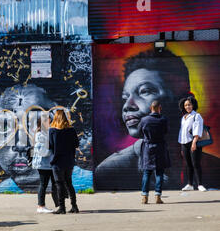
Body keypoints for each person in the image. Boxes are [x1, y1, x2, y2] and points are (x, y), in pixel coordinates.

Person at [94, 49, 220, 190]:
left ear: (184, 100)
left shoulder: (215, 169)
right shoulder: (111, 171)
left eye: (145, 91)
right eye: (125, 98)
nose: (127, 106)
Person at [138, 100, 170, 204]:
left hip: (148, 148)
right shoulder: (163, 119)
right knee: (159, 173)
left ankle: (144, 197)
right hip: (160, 147)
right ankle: (158, 196)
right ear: (159, 108)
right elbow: (166, 132)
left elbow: (139, 132)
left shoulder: (144, 120)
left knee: (147, 173)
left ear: (151, 108)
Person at [49, 109, 80, 214]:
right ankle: (74, 206)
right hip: (69, 161)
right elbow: (76, 144)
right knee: (69, 183)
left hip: (57, 161)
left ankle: (62, 208)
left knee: (59, 184)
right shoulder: (72, 130)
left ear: (55, 117)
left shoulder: (53, 131)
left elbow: (51, 146)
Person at [178, 96, 207, 192]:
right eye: (185, 105)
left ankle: (200, 185)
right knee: (188, 164)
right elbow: (182, 132)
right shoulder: (184, 117)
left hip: (194, 142)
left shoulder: (196, 116)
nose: (187, 107)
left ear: (193, 105)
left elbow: (198, 130)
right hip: (184, 143)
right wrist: (182, 147)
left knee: (196, 164)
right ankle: (190, 184)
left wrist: (194, 143)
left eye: (189, 105)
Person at [32, 116, 58, 213]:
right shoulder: (40, 135)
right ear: (42, 123)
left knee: (55, 184)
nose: (50, 124)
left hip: (49, 164)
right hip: (43, 165)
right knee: (43, 185)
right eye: (48, 123)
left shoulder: (46, 133)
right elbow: (42, 152)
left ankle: (58, 205)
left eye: (51, 122)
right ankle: (41, 206)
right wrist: (52, 150)